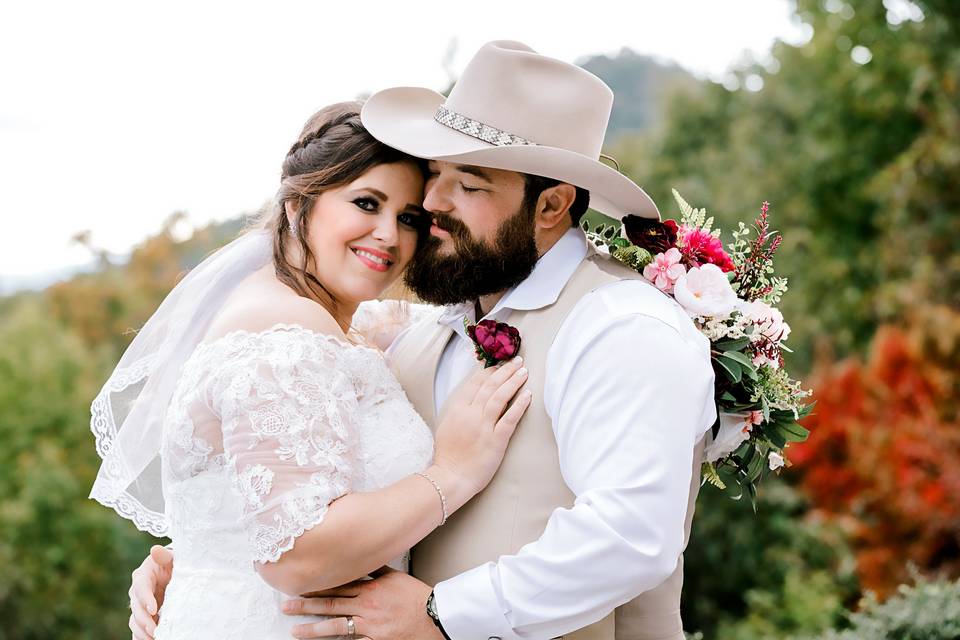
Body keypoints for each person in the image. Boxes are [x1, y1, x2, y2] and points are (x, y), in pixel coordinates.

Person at [127, 41, 716, 640]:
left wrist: (443, 613)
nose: (432, 205)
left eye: (470, 183)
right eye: (435, 176)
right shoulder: (418, 334)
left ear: (552, 205)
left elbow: (631, 537)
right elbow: (290, 490)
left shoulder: (620, 328)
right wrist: (208, 561)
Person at [90, 101, 532, 640]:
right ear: (301, 205)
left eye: (409, 218)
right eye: (366, 203)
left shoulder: (332, 324)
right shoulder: (281, 336)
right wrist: (453, 471)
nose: (389, 236)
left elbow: (258, 501)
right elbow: (295, 554)